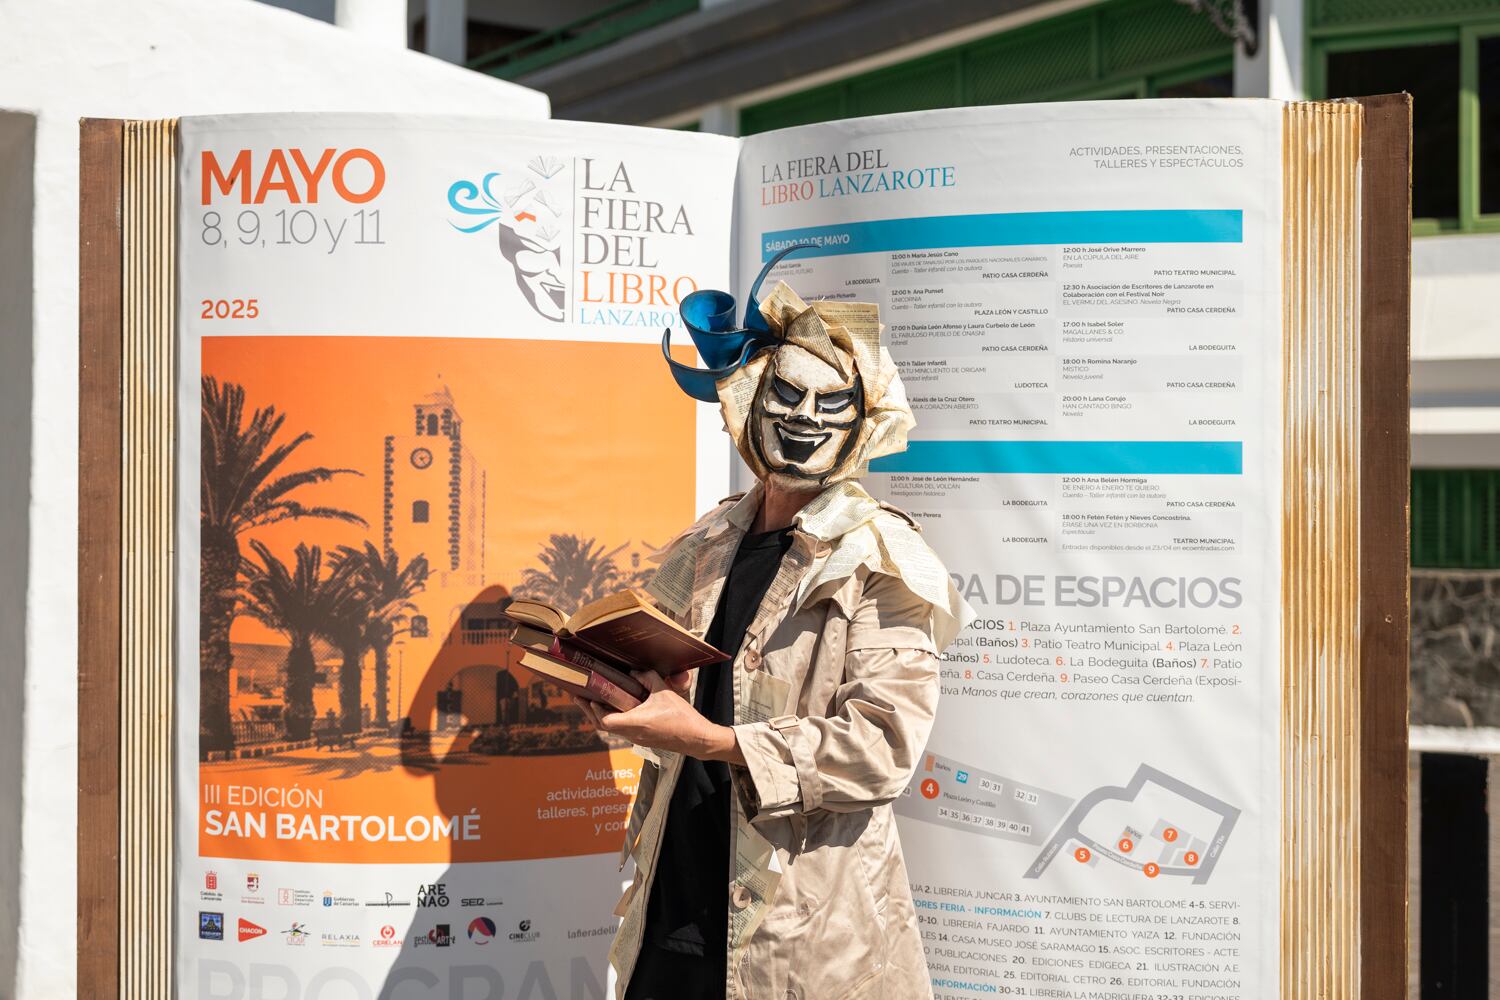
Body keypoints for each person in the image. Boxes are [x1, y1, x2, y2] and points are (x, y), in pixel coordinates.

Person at [572, 248, 971, 1000]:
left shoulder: (882, 560)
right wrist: (621, 693)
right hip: (674, 905)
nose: (805, 419)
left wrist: (716, 744)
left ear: (861, 425)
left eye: (831, 404)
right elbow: (672, 681)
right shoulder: (708, 540)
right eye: (788, 395)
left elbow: (883, 748)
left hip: (799, 931)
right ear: (752, 403)